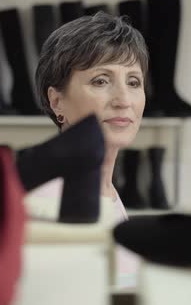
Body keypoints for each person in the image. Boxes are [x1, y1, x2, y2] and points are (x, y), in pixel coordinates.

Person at [35, 12, 148, 222]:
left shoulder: (106, 190)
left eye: (133, 82)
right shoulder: (48, 201)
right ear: (57, 101)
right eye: (100, 81)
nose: (123, 100)